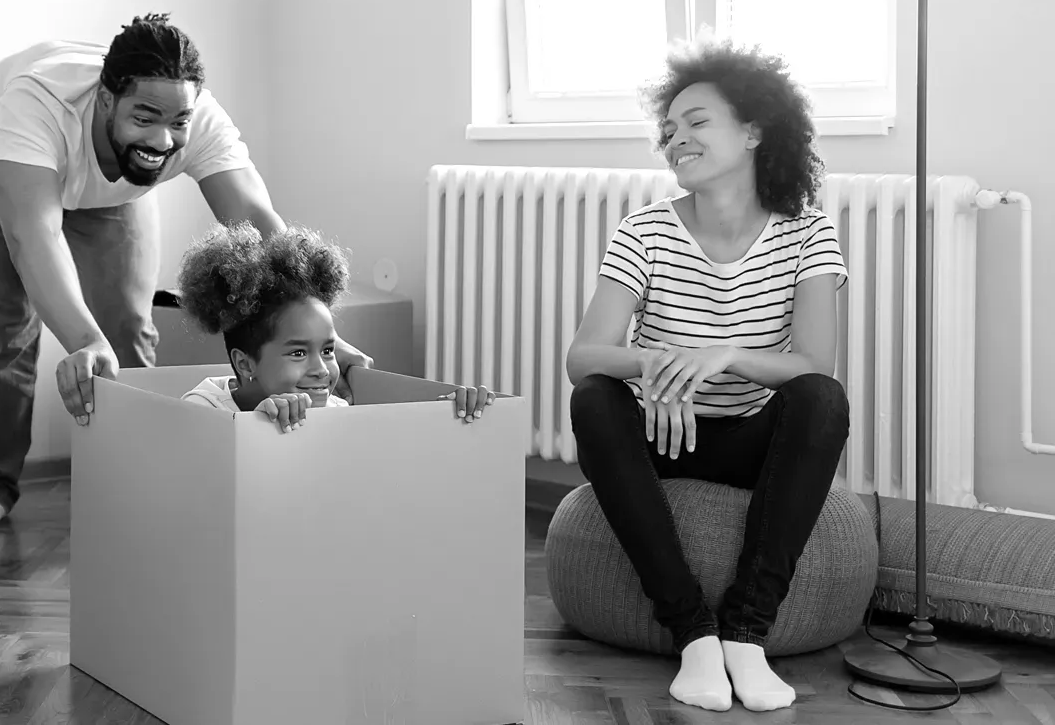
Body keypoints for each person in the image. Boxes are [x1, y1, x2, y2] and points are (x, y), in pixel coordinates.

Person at [0, 14, 371, 538]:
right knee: (9, 322)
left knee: (126, 326)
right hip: (8, 180)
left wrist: (328, 340)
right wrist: (81, 339)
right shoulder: (33, 106)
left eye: (177, 123)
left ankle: (135, 478)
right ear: (107, 100)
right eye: (145, 117)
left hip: (115, 191)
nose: (163, 137)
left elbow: (266, 233)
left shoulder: (199, 119)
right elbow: (34, 239)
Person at [565, 35, 850, 714]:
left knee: (822, 400)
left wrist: (722, 353)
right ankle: (693, 632)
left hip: (753, 440)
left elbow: (814, 366)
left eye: (697, 123)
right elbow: (584, 356)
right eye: (669, 130)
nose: (676, 140)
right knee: (596, 400)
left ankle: (746, 632)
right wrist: (654, 361)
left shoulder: (808, 234)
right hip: (666, 434)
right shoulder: (644, 232)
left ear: (753, 130)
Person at [177, 222, 494, 427]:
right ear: (245, 363)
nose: (322, 370)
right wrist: (259, 427)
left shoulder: (332, 408)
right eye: (299, 353)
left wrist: (446, 419)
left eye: (328, 350)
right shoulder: (203, 408)